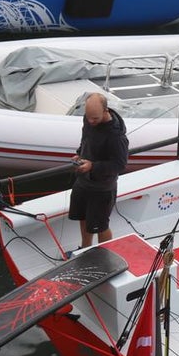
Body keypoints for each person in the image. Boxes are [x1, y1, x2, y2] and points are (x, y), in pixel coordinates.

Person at [69, 93, 128, 249]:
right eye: (88, 117)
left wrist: (93, 166)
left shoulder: (116, 136)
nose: (90, 121)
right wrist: (79, 153)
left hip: (102, 188)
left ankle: (104, 254)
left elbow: (120, 165)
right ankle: (85, 248)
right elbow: (85, 139)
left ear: (105, 110)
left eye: (94, 118)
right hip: (83, 181)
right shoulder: (88, 120)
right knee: (83, 217)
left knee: (100, 225)